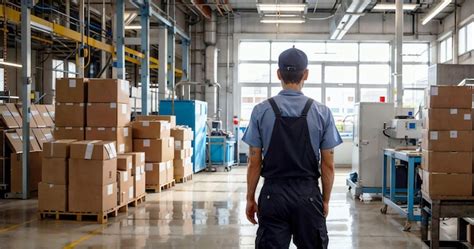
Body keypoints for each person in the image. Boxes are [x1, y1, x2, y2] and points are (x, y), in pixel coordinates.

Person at [242, 47, 343, 249]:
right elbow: (328, 165)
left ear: (278, 74)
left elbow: (254, 162)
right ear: (306, 74)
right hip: (308, 195)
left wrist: (250, 198)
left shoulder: (261, 110)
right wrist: (324, 200)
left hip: (273, 194)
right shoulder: (322, 112)